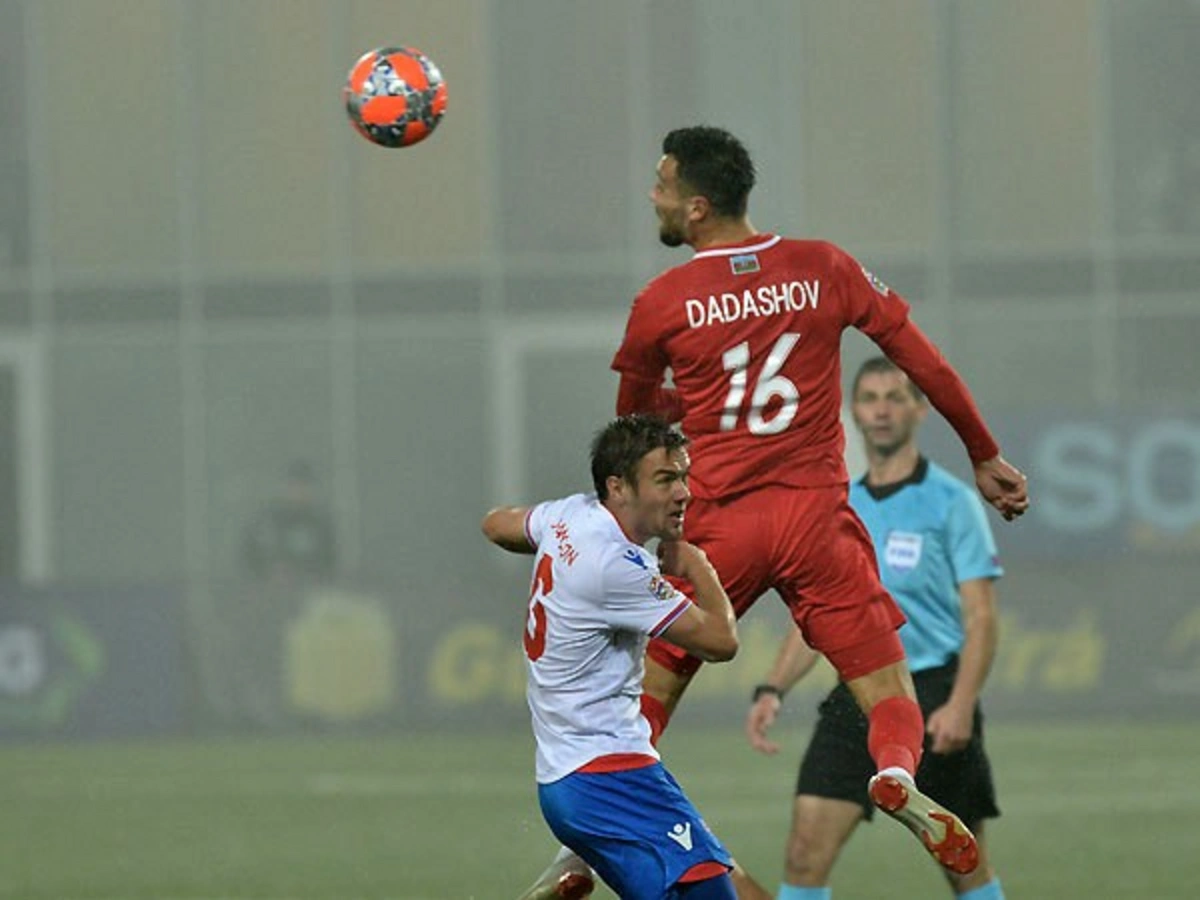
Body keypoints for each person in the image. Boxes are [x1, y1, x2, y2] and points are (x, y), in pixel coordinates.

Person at [518, 125, 1028, 900]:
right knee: (886, 687)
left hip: (718, 528)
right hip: (817, 518)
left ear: (695, 206)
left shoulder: (663, 302)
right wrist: (984, 453)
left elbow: (637, 432)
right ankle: (895, 774)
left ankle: (583, 850)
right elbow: (923, 359)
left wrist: (682, 438)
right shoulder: (824, 267)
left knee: (637, 702)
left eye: (661, 185)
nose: (652, 196)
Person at [745, 356, 1006, 900]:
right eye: (869, 399)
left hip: (933, 694)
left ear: (919, 409)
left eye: (894, 397)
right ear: (854, 413)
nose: (881, 410)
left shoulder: (953, 502)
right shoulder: (840, 507)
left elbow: (981, 616)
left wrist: (960, 705)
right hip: (857, 692)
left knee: (965, 865)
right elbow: (819, 619)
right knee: (804, 851)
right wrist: (773, 687)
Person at [483, 414, 742, 900]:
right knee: (711, 891)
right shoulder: (614, 567)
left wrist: (557, 551)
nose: (683, 493)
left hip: (568, 781)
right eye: (665, 479)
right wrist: (697, 566)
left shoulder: (570, 516)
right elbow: (721, 641)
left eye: (683, 476)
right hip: (610, 776)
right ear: (618, 487)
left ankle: (573, 864)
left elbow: (495, 524)